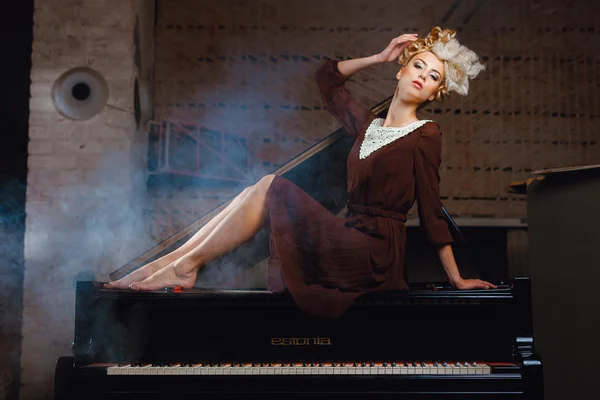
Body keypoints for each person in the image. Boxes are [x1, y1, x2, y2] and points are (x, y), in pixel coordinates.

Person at [106, 26, 496, 318]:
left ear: (433, 94)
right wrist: (377, 58)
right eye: (418, 66)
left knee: (272, 186)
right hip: (349, 235)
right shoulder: (367, 126)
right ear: (401, 69)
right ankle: (165, 265)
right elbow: (327, 78)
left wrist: (456, 279)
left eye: (433, 78)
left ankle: (184, 267)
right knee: (259, 187)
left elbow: (431, 210)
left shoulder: (426, 134)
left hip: (375, 255)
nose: (422, 77)